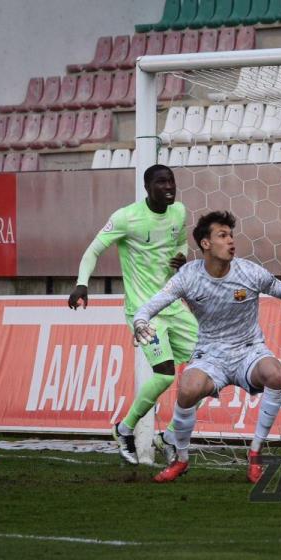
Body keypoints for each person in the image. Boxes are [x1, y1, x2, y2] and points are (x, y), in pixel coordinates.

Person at [134, 211, 281, 484]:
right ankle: (182, 458)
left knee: (276, 374)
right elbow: (153, 304)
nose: (231, 241)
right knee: (187, 389)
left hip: (249, 350)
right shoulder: (188, 276)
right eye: (222, 236)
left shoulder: (250, 273)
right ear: (205, 244)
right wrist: (140, 322)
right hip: (210, 354)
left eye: (232, 235)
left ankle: (256, 454)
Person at [69, 165, 199, 466]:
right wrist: (81, 284)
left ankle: (169, 436)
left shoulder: (179, 212)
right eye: (161, 182)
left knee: (209, 368)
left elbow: (180, 241)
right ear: (147, 187)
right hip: (144, 311)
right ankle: (124, 429)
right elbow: (93, 250)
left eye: (171, 181)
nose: (169, 187)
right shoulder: (126, 217)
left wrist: (182, 257)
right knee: (166, 373)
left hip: (174, 305)